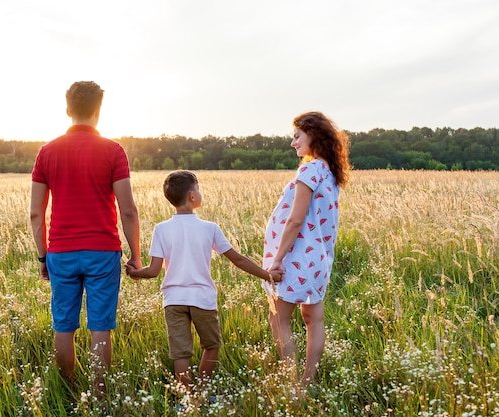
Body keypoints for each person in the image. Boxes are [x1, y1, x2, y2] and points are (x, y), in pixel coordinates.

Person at [29, 80, 141, 399]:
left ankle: (67, 394)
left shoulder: (46, 152)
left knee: (63, 325)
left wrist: (43, 257)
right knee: (100, 326)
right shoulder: (113, 150)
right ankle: (100, 397)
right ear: (98, 111)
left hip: (61, 252)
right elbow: (128, 209)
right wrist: (135, 254)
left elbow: (36, 214)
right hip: (103, 251)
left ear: (68, 111)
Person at [125, 170, 283, 390]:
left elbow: (153, 271)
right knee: (212, 345)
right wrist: (268, 275)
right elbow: (237, 259)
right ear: (192, 196)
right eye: (197, 189)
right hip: (203, 300)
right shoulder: (209, 228)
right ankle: (203, 390)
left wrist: (134, 272)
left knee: (181, 352)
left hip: (173, 300)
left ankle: (189, 398)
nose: (199, 193)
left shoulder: (161, 229)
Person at [262, 111, 350, 387]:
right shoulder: (331, 173)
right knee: (313, 318)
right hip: (320, 258)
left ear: (313, 134)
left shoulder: (310, 169)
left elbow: (296, 219)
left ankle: (290, 382)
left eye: (297, 136)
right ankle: (307, 383)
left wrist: (277, 260)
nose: (293, 143)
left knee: (277, 317)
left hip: (297, 259)